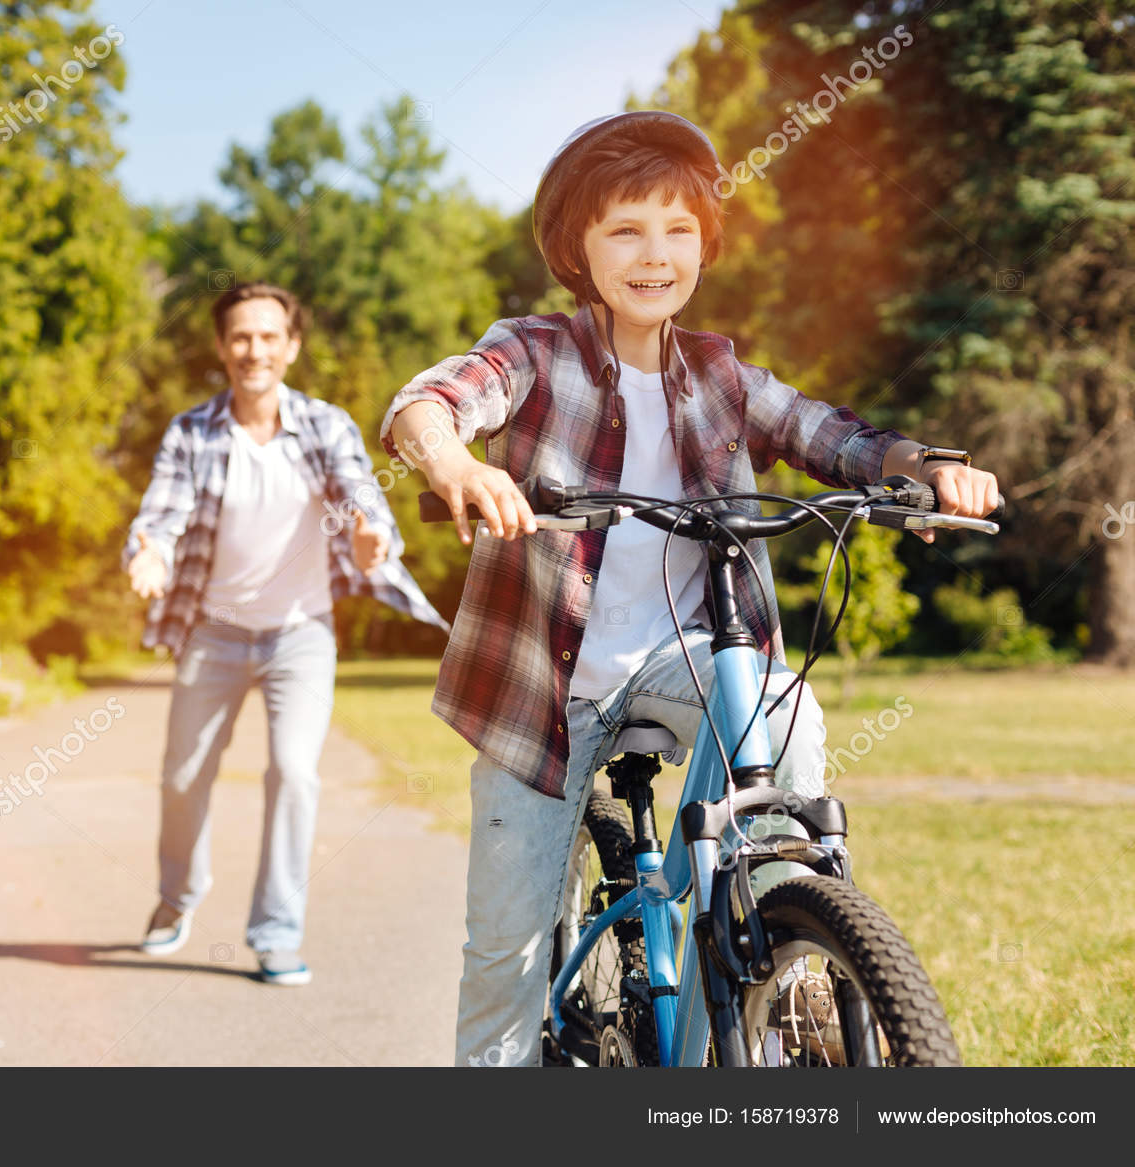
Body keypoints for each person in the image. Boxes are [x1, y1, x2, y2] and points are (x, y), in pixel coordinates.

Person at [378, 112, 1000, 1064]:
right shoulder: (535, 352)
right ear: (580, 252)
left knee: (785, 715)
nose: (654, 255)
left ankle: (788, 968)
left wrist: (927, 468)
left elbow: (834, 435)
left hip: (688, 652)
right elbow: (433, 400)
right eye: (625, 230)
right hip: (545, 690)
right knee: (505, 952)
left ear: (704, 248)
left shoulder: (719, 371)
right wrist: (453, 465)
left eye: (677, 231)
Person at [124, 281, 447, 986]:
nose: (254, 350)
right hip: (213, 634)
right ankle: (177, 897)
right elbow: (163, 513)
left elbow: (359, 490)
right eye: (240, 336)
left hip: (300, 634)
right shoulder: (192, 431)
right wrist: (149, 549)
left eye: (269, 336)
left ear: (291, 346)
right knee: (183, 776)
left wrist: (371, 535)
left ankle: (276, 932)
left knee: (295, 773)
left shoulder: (323, 424)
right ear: (221, 347)